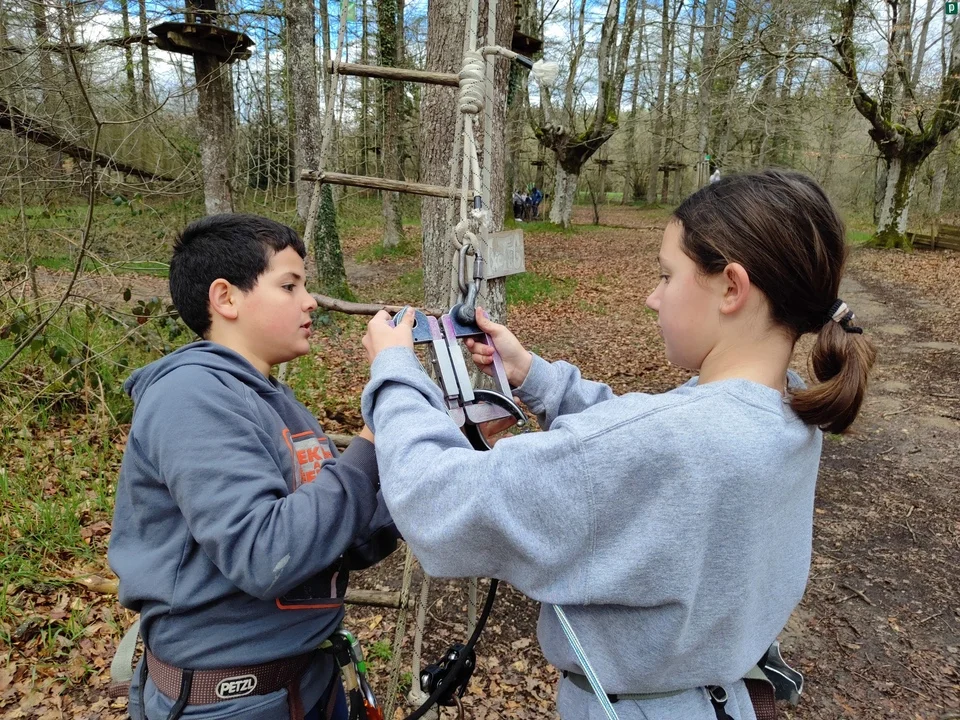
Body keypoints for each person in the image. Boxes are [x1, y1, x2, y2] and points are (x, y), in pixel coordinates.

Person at [359, 169, 876, 720]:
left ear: (732, 287)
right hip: (723, 699)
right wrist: (533, 374)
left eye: (667, 276)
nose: (654, 298)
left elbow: (435, 500)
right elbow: (642, 435)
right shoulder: (787, 409)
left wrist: (394, 373)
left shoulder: (671, 441)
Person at [108, 214, 397, 720]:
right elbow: (266, 554)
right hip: (232, 702)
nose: (310, 300)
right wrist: (377, 432)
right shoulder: (190, 396)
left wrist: (452, 447)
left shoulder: (272, 401)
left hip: (308, 680)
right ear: (226, 298)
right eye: (289, 285)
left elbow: (343, 533)